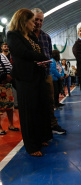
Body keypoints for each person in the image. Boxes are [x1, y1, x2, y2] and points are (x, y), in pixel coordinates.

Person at [7, 9, 53, 156]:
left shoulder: (31, 36)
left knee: (40, 108)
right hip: (25, 79)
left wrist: (43, 60)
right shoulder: (13, 35)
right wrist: (40, 58)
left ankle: (40, 138)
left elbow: (39, 52)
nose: (35, 24)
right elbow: (24, 53)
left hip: (37, 77)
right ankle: (31, 146)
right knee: (29, 113)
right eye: (32, 21)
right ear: (23, 21)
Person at [31, 8, 66, 135]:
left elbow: (49, 55)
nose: (39, 22)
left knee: (49, 102)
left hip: (46, 75)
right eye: (36, 19)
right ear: (30, 19)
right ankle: (38, 128)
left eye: (41, 20)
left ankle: (52, 124)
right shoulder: (25, 36)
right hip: (32, 77)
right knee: (35, 103)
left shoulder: (46, 36)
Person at [0, 44, 19, 135]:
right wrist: (3, 76)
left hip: (7, 85)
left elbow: (10, 68)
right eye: (4, 46)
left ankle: (11, 125)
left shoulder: (5, 56)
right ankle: (0, 128)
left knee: (9, 107)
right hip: (0, 84)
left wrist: (10, 77)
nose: (6, 47)